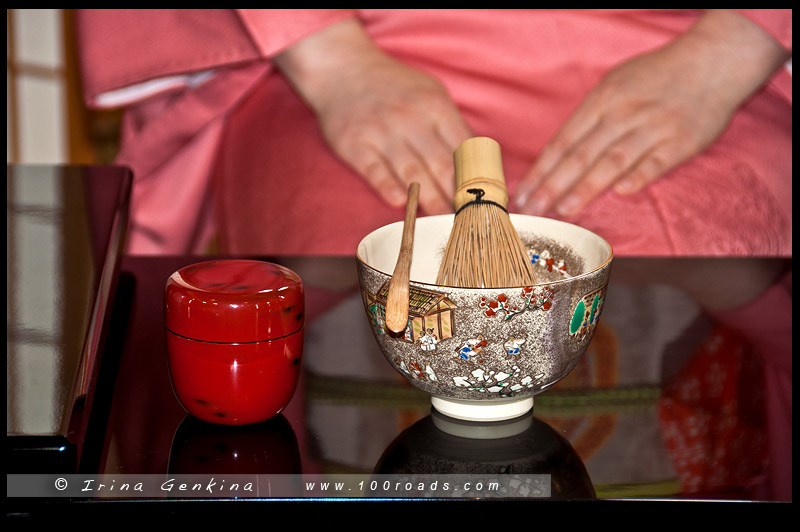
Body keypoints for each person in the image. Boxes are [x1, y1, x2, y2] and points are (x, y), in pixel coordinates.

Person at [75, 9, 791, 256]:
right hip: (354, 47)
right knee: (365, 283)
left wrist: (730, 53)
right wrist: (333, 62)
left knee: (708, 272)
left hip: (695, 55)